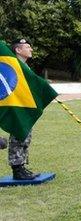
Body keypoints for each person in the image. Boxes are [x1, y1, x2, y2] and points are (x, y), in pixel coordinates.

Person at [6, 38, 38, 180]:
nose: (30, 49)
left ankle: (22, 166)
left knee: (25, 136)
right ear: (18, 50)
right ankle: (17, 169)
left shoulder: (26, 67)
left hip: (25, 108)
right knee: (18, 136)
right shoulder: (12, 66)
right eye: (27, 47)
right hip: (15, 107)